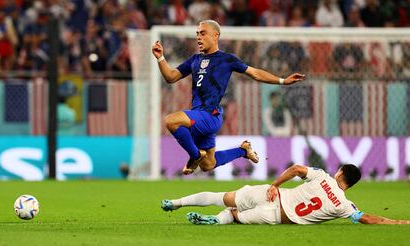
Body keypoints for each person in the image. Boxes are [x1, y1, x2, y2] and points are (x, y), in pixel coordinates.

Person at [151, 20, 305, 175]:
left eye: (203, 33)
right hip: (199, 115)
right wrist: (160, 58)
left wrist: (282, 80)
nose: (198, 37)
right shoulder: (194, 60)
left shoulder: (226, 59)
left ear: (215, 35)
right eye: (197, 34)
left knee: (171, 121)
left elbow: (255, 73)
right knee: (208, 164)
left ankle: (195, 156)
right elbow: (171, 77)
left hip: (210, 115)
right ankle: (242, 151)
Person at [161, 164, 410, 225]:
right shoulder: (345, 206)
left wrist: (274, 184)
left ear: (340, 172)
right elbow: (364, 218)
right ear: (351, 184)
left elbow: (296, 169)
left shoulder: (323, 176)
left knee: (223, 196)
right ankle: (218, 220)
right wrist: (398, 222)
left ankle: (176, 202)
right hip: (276, 216)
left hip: (273, 195)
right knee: (234, 216)